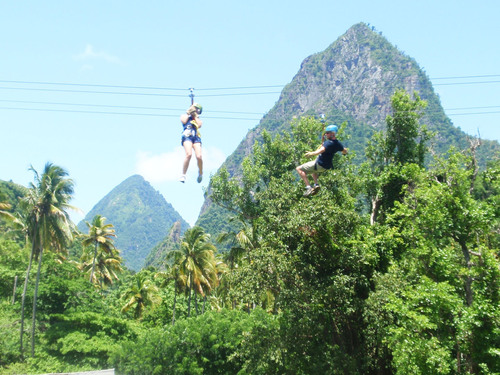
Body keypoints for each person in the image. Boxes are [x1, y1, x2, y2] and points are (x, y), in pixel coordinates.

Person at [296, 124, 348, 196]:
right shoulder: (338, 143)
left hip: (319, 164)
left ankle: (308, 187)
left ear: (332, 134)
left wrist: (312, 153)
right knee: (314, 167)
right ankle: (316, 184)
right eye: (326, 133)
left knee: (299, 169)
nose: (326, 134)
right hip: (325, 167)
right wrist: (344, 153)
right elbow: (344, 150)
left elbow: (321, 150)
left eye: (327, 133)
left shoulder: (328, 143)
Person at [179, 103, 203, 183]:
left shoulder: (198, 119)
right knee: (189, 154)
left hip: (195, 137)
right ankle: (183, 175)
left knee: (199, 156)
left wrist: (195, 116)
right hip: (187, 135)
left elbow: (199, 125)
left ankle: (200, 173)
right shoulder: (185, 116)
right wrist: (188, 112)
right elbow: (183, 120)